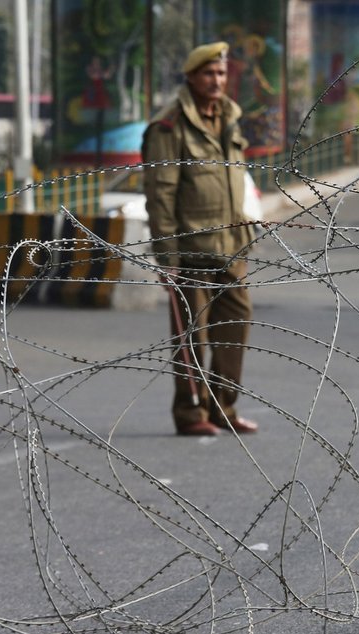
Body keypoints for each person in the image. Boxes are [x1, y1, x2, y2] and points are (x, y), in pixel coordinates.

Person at [142, 41, 259, 437]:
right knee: (192, 335)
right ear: (191, 77)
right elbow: (161, 195)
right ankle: (191, 414)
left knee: (236, 325)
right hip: (192, 250)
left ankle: (223, 406)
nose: (216, 81)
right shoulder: (169, 127)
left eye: (222, 73)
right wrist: (167, 257)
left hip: (232, 246)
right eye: (208, 73)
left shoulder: (229, 118)